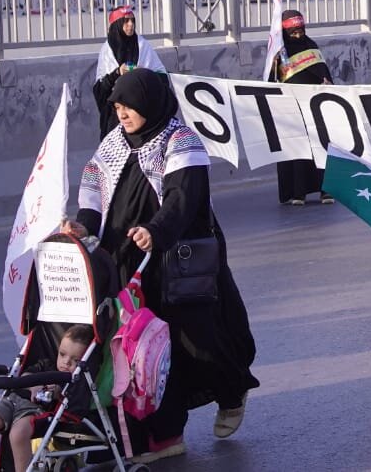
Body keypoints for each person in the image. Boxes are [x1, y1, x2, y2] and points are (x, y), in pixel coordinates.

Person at [62, 69, 259, 464]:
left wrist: (156, 230)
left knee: (197, 344)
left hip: (174, 260)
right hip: (128, 264)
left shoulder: (180, 141)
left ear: (149, 102)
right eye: (117, 107)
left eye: (128, 106)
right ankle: (165, 436)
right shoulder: (113, 145)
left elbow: (183, 199)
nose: (123, 114)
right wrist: (83, 223)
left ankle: (231, 391)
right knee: (140, 352)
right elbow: (95, 192)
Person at [0, 325, 92, 472]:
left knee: (18, 433)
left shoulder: (72, 380)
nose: (66, 362)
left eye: (75, 360)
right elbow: (26, 375)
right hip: (13, 399)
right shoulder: (46, 364)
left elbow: (69, 399)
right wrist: (33, 384)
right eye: (62, 354)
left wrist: (56, 391)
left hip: (35, 410)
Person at [269, 10, 334, 206]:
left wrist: (327, 82)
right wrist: (274, 65)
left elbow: (323, 71)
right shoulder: (279, 53)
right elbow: (271, 81)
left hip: (314, 106)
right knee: (296, 150)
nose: (298, 36)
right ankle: (297, 193)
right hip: (290, 108)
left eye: (301, 31)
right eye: (293, 33)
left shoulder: (311, 46)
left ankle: (326, 190)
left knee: (320, 148)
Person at [93, 6, 166, 139]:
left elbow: (162, 77)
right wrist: (117, 73)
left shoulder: (142, 46)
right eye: (126, 21)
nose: (131, 25)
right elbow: (100, 90)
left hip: (141, 113)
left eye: (132, 21)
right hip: (116, 118)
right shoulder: (107, 51)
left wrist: (142, 75)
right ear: (117, 24)